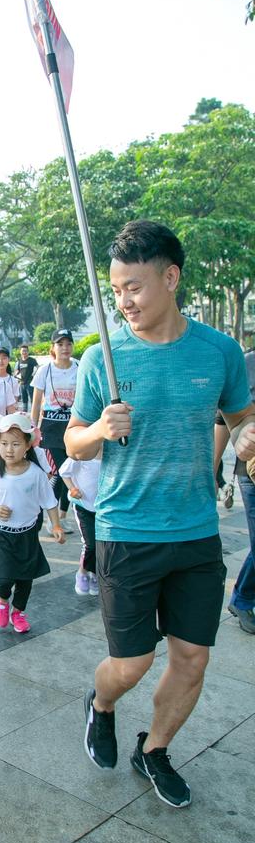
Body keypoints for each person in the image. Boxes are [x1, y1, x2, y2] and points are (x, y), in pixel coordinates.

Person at [65, 220, 255, 809]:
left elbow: (241, 415)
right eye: (116, 289)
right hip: (127, 532)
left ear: (170, 279)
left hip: (197, 532)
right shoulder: (104, 358)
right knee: (130, 663)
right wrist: (99, 428)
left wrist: (246, 436)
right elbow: (73, 442)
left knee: (192, 659)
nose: (123, 301)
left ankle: (156, 749)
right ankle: (100, 706)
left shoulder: (218, 351)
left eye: (135, 287)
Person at [0, 413, 65, 633]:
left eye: (15, 444)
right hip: (0, 533)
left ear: (28, 445)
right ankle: (3, 602)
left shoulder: (35, 474)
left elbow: (49, 502)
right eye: (4, 443)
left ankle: (18, 612)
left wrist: (55, 526)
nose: (9, 449)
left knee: (26, 579)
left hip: (27, 533)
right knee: (5, 578)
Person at [215, 348, 255, 634]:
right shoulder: (247, 362)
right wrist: (211, 471)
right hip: (251, 470)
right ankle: (241, 599)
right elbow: (223, 420)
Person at [31, 330, 79, 530]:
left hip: (73, 426)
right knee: (59, 472)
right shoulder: (45, 370)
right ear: (53, 348)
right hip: (50, 427)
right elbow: (35, 402)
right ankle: (52, 519)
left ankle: (62, 516)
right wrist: (32, 429)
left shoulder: (79, 367)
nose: (65, 348)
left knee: (71, 471)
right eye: (60, 344)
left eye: (68, 344)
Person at [59, 453, 101, 596]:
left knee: (102, 543)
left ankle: (95, 573)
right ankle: (82, 571)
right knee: (90, 543)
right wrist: (72, 489)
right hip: (83, 506)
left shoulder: (112, 452)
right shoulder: (82, 453)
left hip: (104, 508)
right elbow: (63, 472)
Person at [15, 345, 38, 413]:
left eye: (25, 351)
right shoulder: (19, 361)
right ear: (20, 352)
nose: (24, 352)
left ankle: (33, 413)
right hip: (22, 383)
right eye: (23, 351)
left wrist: (34, 374)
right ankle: (25, 414)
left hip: (30, 383)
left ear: (28, 352)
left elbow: (38, 367)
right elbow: (17, 371)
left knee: (32, 399)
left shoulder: (32, 360)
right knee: (24, 400)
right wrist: (16, 374)